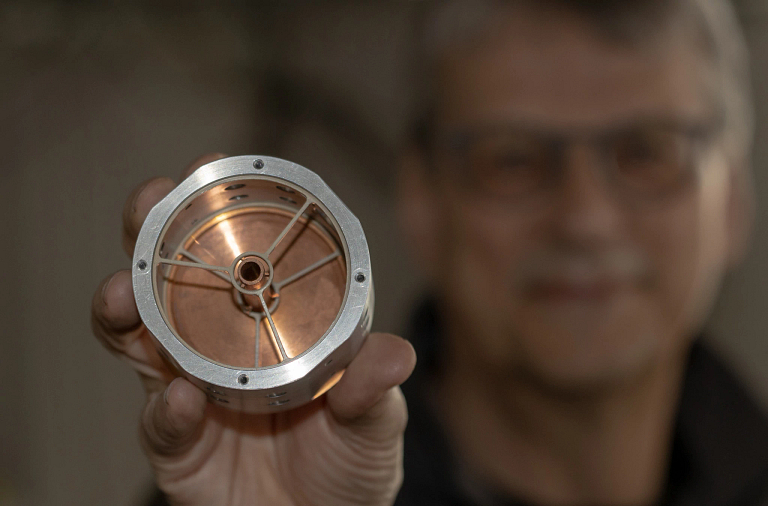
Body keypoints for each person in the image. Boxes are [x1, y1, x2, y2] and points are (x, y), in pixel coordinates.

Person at [91, 0, 768, 505]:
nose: (584, 218)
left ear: (734, 200)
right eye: (513, 159)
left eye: (648, 152)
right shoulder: (267, 487)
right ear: (420, 203)